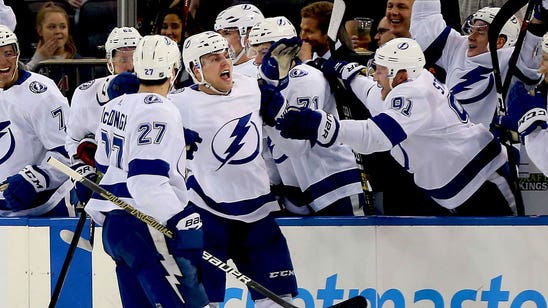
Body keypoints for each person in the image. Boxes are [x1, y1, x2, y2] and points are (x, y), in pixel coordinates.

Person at [275, 38, 516, 216]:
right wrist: (346, 73)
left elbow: (376, 137)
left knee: (512, 261)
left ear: (399, 75)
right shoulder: (408, 82)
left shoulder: (415, 93)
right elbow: (374, 95)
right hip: (461, 188)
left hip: (482, 185)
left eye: (380, 70)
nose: (375, 75)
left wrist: (322, 125)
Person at [169, 31, 298, 306]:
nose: (224, 62)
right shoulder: (176, 105)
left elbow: (280, 109)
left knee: (277, 299)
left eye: (226, 55)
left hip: (259, 212)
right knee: (206, 302)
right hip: (207, 213)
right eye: (214, 59)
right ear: (195, 69)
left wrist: (280, 103)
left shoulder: (251, 88)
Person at [85, 35, 210, 308]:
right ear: (175, 70)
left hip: (115, 230)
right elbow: (145, 182)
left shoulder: (114, 105)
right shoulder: (163, 110)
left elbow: (104, 164)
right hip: (147, 227)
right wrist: (180, 218)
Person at [249, 17, 366, 216]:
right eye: (255, 51)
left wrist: (271, 118)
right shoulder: (268, 86)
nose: (257, 61)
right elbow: (270, 145)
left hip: (336, 185)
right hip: (304, 190)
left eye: (262, 52)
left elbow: (298, 146)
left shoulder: (305, 78)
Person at [410, 0, 544, 127]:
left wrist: (539, 20)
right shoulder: (458, 46)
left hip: (491, 145)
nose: (470, 37)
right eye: (472, 29)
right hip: (450, 137)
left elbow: (531, 62)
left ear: (499, 41)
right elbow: (424, 20)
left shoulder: (510, 57)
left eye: (480, 31)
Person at [0, 25, 74, 217]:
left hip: (43, 208)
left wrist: (37, 179)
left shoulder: (40, 93)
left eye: (8, 53)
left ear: (17, 54)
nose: (2, 62)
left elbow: (67, 152)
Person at [65, 26, 141, 204]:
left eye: (136, 58)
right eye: (123, 59)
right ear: (110, 62)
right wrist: (82, 173)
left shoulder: (158, 94)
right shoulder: (85, 94)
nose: (130, 66)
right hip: (106, 188)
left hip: (143, 187)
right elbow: (73, 141)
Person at [26, 2, 90, 99]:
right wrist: (37, 60)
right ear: (40, 30)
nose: (58, 31)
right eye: (52, 27)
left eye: (63, 27)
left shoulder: (79, 63)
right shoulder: (32, 63)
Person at [214, 3, 264, 77]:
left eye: (226, 33)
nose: (220, 40)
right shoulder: (217, 68)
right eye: (219, 34)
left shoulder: (262, 73)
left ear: (249, 36)